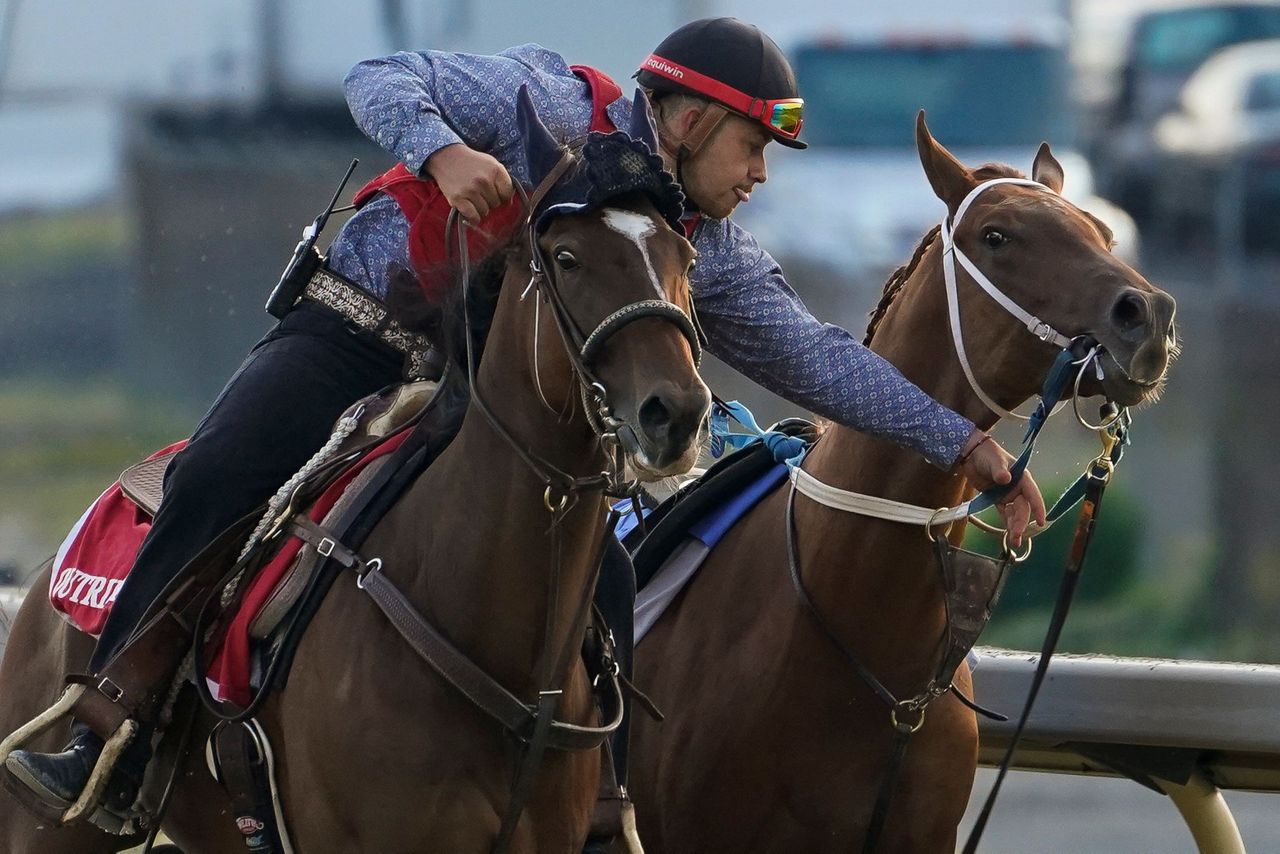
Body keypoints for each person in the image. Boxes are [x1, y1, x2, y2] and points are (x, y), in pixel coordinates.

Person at [4, 16, 1045, 837]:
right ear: (685, 118)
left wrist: (962, 444)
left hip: (504, 403)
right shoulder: (539, 99)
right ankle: (117, 718)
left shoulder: (701, 241)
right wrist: (443, 150)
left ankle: (598, 807)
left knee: (610, 573)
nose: (760, 174)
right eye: (753, 144)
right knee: (221, 474)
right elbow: (378, 77)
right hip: (359, 337)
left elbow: (815, 357)